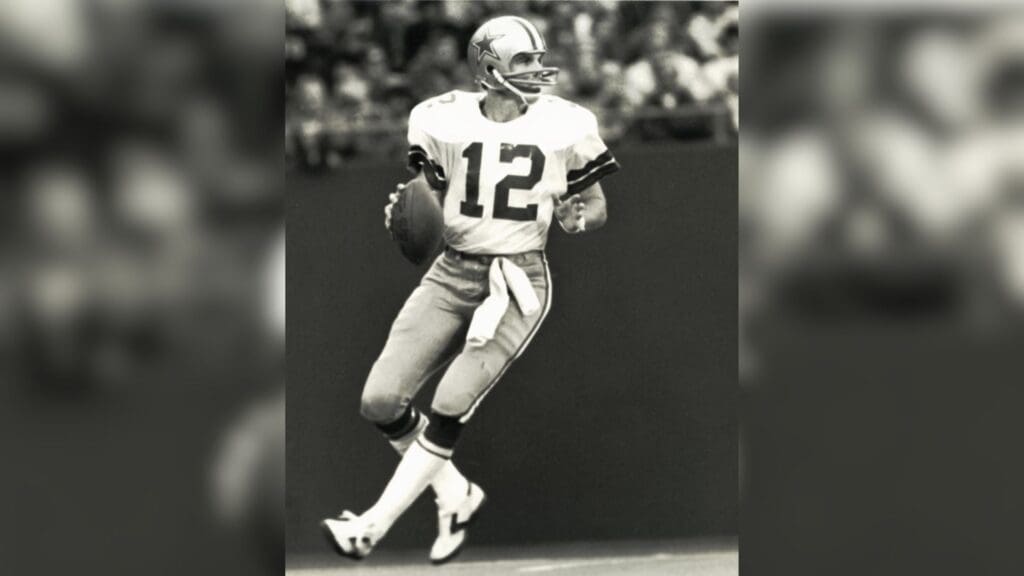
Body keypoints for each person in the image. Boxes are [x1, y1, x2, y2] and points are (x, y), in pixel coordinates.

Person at [321, 15, 620, 564]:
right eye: (523, 61)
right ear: (488, 68)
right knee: (380, 400)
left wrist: (579, 218)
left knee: (450, 401)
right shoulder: (440, 118)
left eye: (536, 59)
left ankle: (370, 527)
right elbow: (423, 196)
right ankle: (455, 494)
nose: (536, 69)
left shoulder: (567, 123)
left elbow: (597, 205)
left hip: (518, 280)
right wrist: (402, 211)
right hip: (452, 270)